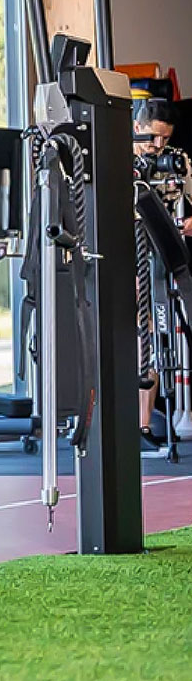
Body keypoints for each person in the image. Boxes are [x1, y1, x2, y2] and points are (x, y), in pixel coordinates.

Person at [133, 99, 191, 450]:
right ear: (137, 127)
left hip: (159, 256)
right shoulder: (112, 161)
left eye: (165, 140)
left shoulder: (176, 160)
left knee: (154, 335)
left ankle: (143, 427)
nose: (158, 147)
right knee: (128, 339)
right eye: (153, 137)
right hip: (117, 256)